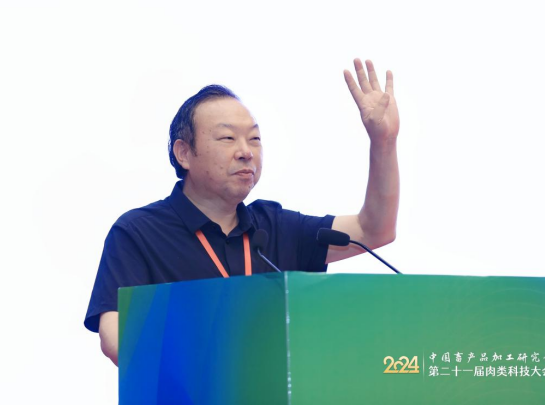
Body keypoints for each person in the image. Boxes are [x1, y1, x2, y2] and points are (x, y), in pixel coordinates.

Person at [85, 59, 400, 366]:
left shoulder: (274, 228)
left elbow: (373, 230)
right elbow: (115, 337)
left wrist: (383, 142)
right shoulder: (139, 233)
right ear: (183, 153)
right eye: (227, 138)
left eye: (255, 139)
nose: (246, 152)